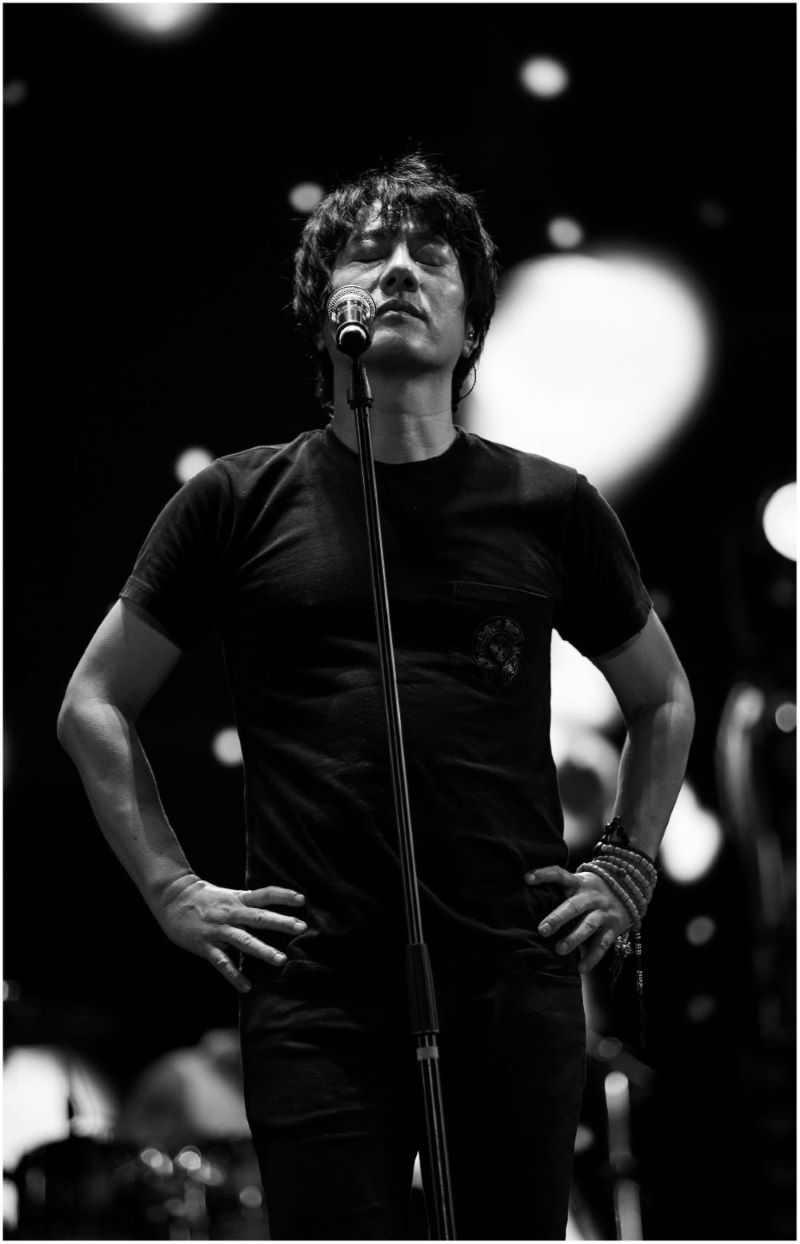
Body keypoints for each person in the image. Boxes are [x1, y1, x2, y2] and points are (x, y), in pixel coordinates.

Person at [57, 154, 695, 1240]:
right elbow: (93, 703)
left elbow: (663, 698)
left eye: (429, 257)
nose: (399, 269)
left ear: (471, 322)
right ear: (323, 312)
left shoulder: (549, 505)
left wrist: (627, 865)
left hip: (510, 972)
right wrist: (172, 887)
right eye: (368, 251)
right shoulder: (235, 502)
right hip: (317, 990)